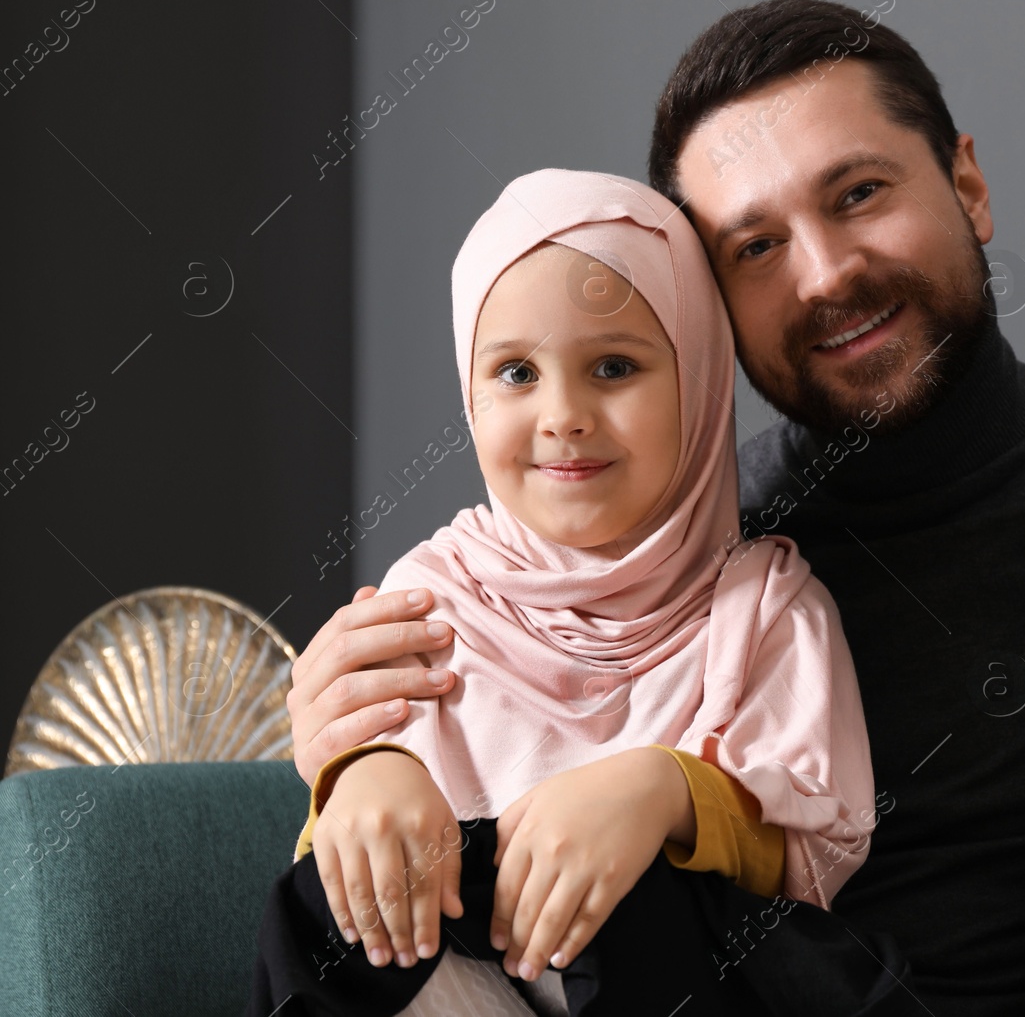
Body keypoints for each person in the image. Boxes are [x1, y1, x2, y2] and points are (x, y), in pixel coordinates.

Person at [286, 0, 1025, 1015]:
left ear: (967, 185)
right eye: (754, 247)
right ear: (704, 305)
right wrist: (353, 756)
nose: (826, 273)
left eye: (857, 193)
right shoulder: (686, 545)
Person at [249, 168, 892, 1016]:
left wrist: (661, 791)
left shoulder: (768, 607)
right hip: (471, 981)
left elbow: (811, 842)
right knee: (319, 911)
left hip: (677, 977)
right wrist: (368, 773)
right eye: (516, 373)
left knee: (631, 894)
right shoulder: (431, 596)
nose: (562, 415)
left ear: (698, 382)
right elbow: (352, 846)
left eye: (614, 365)